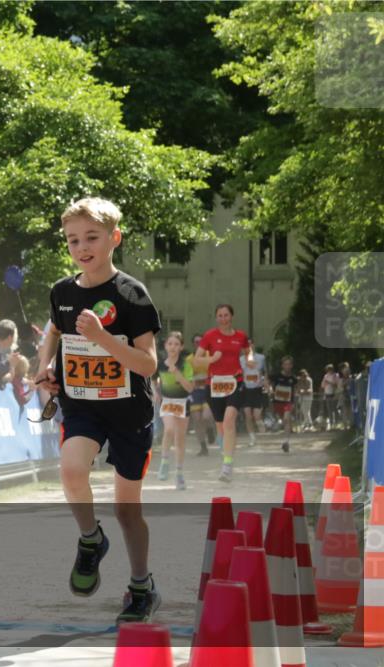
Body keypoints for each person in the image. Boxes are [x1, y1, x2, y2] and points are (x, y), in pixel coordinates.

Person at [34, 197, 161, 623]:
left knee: (128, 510)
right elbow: (54, 331)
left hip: (129, 412)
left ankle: (141, 584)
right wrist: (44, 371)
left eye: (92, 237)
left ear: (114, 238)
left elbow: (148, 364)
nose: (82, 247)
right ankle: (90, 539)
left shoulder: (131, 293)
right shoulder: (63, 292)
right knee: (71, 470)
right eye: (73, 240)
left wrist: (105, 339)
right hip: (82, 406)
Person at [195, 304, 254, 483]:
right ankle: (226, 454)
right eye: (219, 315)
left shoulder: (240, 336)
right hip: (214, 384)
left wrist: (249, 360)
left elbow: (248, 350)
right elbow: (197, 360)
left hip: (236, 382)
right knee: (221, 427)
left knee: (229, 420)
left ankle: (227, 466)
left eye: (226, 315)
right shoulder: (210, 336)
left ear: (232, 316)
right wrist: (211, 359)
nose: (223, 318)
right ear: (216, 318)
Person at [154, 332, 195, 490]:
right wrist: (156, 393)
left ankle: (179, 473)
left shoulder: (186, 365)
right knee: (169, 429)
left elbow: (190, 388)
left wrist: (176, 373)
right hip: (167, 402)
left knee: (180, 439)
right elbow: (152, 379)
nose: (173, 347)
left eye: (176, 344)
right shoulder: (160, 364)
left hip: (182, 403)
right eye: (170, 344)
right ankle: (164, 462)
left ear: (181, 347)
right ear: (165, 346)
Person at [270, 355, 297, 453]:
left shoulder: (293, 378)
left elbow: (295, 390)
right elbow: (266, 380)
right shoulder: (276, 376)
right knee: (285, 421)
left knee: (286, 419)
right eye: (285, 364)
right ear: (282, 365)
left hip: (288, 402)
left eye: (289, 364)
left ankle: (286, 442)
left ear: (291, 366)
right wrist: (270, 390)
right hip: (277, 402)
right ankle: (285, 438)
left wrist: (294, 402)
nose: (287, 366)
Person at [240, 344, 267, 446]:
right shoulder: (241, 359)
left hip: (257, 389)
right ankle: (252, 438)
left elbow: (265, 372)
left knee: (256, 415)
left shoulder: (261, 358)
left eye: (251, 344)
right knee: (247, 415)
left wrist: (266, 383)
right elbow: (240, 373)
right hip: (246, 389)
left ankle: (260, 426)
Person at [320, 364, 339, 430]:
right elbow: (322, 385)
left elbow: (336, 384)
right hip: (327, 394)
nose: (329, 371)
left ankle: (336, 423)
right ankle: (331, 424)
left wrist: (329, 382)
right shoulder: (325, 376)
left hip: (334, 394)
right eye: (328, 369)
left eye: (330, 369)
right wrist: (325, 383)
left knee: (335, 409)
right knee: (329, 410)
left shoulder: (335, 375)